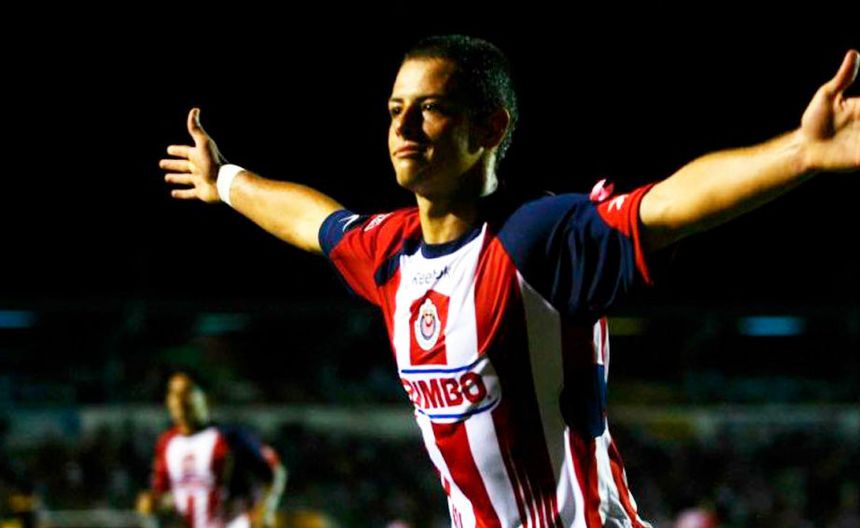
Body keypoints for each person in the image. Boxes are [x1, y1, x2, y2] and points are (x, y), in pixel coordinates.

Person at [159, 35, 860, 527]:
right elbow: (312, 220)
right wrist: (226, 180)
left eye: (430, 107)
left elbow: (667, 207)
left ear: (489, 128)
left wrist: (801, 153)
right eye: (395, 109)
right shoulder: (389, 252)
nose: (404, 125)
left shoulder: (538, 239)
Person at [137, 372, 286, 528]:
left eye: (187, 392)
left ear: (205, 398)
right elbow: (168, 495)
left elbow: (275, 471)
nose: (180, 400)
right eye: (174, 394)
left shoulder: (230, 437)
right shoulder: (166, 443)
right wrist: (154, 504)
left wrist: (266, 512)